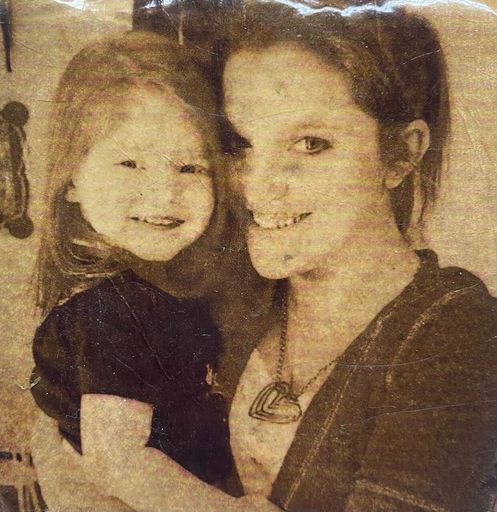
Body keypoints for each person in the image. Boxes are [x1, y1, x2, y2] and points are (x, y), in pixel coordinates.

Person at [216, 2, 497, 511]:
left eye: (310, 144)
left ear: (402, 154)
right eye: (241, 144)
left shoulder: (460, 333)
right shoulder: (228, 300)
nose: (257, 185)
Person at [30, 30, 277, 512]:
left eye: (189, 168)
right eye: (130, 163)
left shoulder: (166, 293)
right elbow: (118, 461)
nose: (164, 194)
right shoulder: (109, 310)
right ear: (72, 179)